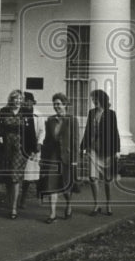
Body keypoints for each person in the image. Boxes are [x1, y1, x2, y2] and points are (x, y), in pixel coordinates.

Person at [0, 89, 38, 218]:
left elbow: (31, 132)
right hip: (6, 148)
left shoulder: (26, 112)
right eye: (15, 98)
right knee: (8, 177)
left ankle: (14, 209)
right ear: (11, 99)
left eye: (20, 99)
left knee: (15, 177)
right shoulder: (4, 111)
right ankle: (11, 203)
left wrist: (33, 149)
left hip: (20, 148)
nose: (18, 101)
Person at [39, 92, 80, 223]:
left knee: (66, 186)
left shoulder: (72, 120)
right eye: (54, 104)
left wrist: (75, 160)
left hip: (66, 158)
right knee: (52, 185)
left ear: (65, 104)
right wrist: (43, 159)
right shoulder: (50, 120)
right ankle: (52, 213)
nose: (56, 106)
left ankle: (69, 204)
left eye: (58, 104)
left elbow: (75, 141)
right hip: (52, 157)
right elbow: (46, 141)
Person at [81, 88, 120, 216]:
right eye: (93, 99)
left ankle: (108, 204)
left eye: (96, 99)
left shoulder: (111, 114)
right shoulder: (91, 113)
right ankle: (97, 204)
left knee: (107, 179)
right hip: (93, 149)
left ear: (103, 99)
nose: (94, 101)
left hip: (107, 150)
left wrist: (117, 150)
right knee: (93, 178)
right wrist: (83, 147)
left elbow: (115, 132)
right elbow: (87, 130)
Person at [18, 92, 42, 210]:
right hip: (23, 148)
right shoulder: (19, 114)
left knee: (37, 174)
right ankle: (23, 199)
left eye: (29, 101)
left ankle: (40, 194)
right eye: (24, 101)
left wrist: (39, 143)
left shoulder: (38, 115)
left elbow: (43, 131)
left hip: (35, 148)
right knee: (26, 176)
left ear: (33, 102)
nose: (26, 103)